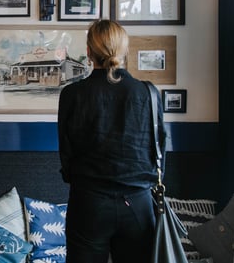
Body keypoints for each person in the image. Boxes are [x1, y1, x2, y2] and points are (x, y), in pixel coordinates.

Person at [57, 19, 166, 263]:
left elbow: (66, 155)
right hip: (138, 205)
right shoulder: (149, 93)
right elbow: (159, 151)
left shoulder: (72, 94)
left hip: (89, 203)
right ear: (125, 50)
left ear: (88, 52)